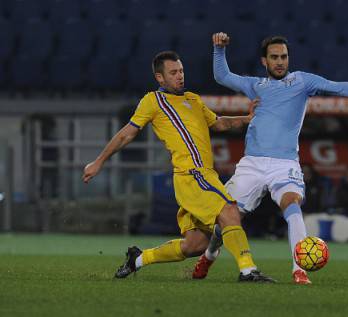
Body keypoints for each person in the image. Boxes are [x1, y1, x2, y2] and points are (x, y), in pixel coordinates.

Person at [193, 33, 348, 284]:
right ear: (264, 61)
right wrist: (219, 49)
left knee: (292, 205)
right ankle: (209, 256)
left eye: (284, 57)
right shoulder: (255, 85)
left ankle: (299, 270)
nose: (280, 62)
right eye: (274, 57)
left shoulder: (301, 81)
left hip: (284, 164)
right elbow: (222, 76)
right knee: (228, 218)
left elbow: (337, 86)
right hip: (252, 163)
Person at [82, 51, 274, 283]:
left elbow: (219, 123)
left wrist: (247, 118)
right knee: (230, 211)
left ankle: (139, 259)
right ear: (160, 78)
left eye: (181, 71)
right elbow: (127, 134)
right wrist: (99, 161)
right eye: (173, 73)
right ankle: (248, 270)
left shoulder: (193, 99)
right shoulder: (153, 101)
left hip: (202, 176)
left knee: (194, 245)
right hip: (192, 174)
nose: (180, 76)